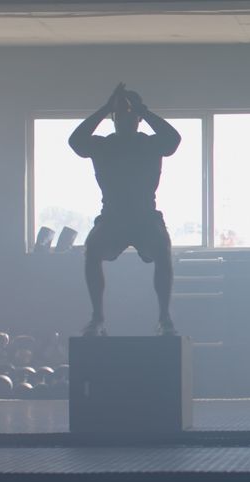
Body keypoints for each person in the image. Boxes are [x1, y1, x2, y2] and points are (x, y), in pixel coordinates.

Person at [69, 83, 182, 336]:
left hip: (144, 216)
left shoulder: (150, 144)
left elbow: (174, 140)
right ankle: (97, 318)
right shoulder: (103, 145)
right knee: (93, 248)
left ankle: (164, 318)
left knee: (162, 247)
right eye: (120, 115)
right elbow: (75, 141)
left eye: (131, 115)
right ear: (114, 118)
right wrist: (105, 109)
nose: (125, 119)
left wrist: (144, 111)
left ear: (138, 118)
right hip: (113, 217)